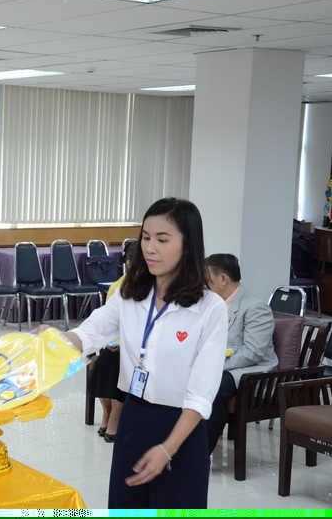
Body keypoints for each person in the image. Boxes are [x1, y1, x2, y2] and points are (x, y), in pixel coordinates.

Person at [35, 197, 227, 508]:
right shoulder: (131, 293)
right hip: (134, 418)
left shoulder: (210, 308)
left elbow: (201, 394)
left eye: (162, 240)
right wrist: (57, 338)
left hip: (182, 427)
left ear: (187, 245)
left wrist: (167, 449)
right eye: (146, 238)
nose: (150, 248)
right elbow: (91, 332)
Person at [204, 253, 276, 453]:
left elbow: (253, 352)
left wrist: (214, 365)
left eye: (208, 280)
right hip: (226, 366)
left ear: (223, 278)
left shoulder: (255, 307)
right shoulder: (213, 304)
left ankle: (201, 452)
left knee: (214, 386)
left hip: (251, 371)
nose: (205, 285)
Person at [88, 241, 137, 443]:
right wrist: (114, 343)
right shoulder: (118, 286)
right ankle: (107, 411)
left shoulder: (156, 287)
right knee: (103, 364)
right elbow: (110, 321)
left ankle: (116, 415)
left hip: (138, 347)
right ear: (128, 264)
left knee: (122, 367)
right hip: (118, 342)